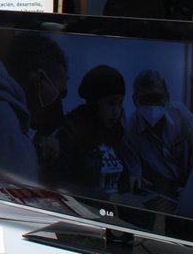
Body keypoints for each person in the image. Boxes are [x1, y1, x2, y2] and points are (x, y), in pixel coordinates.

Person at [0, 31, 69, 185]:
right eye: (60, 94)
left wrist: (33, 151)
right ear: (40, 79)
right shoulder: (10, 138)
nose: (59, 102)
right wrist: (25, 153)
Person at [123, 69, 193, 200]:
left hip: (189, 186)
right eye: (145, 99)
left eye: (158, 98)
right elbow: (135, 172)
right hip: (159, 193)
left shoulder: (181, 115)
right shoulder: (130, 129)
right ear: (135, 100)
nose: (152, 105)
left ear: (167, 98)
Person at [49, 65, 136, 196]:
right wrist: (106, 200)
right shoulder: (70, 133)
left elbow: (119, 181)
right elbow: (57, 184)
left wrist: (132, 183)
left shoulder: (117, 133)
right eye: (111, 103)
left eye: (120, 103)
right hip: (89, 210)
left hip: (118, 210)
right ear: (94, 103)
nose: (117, 111)